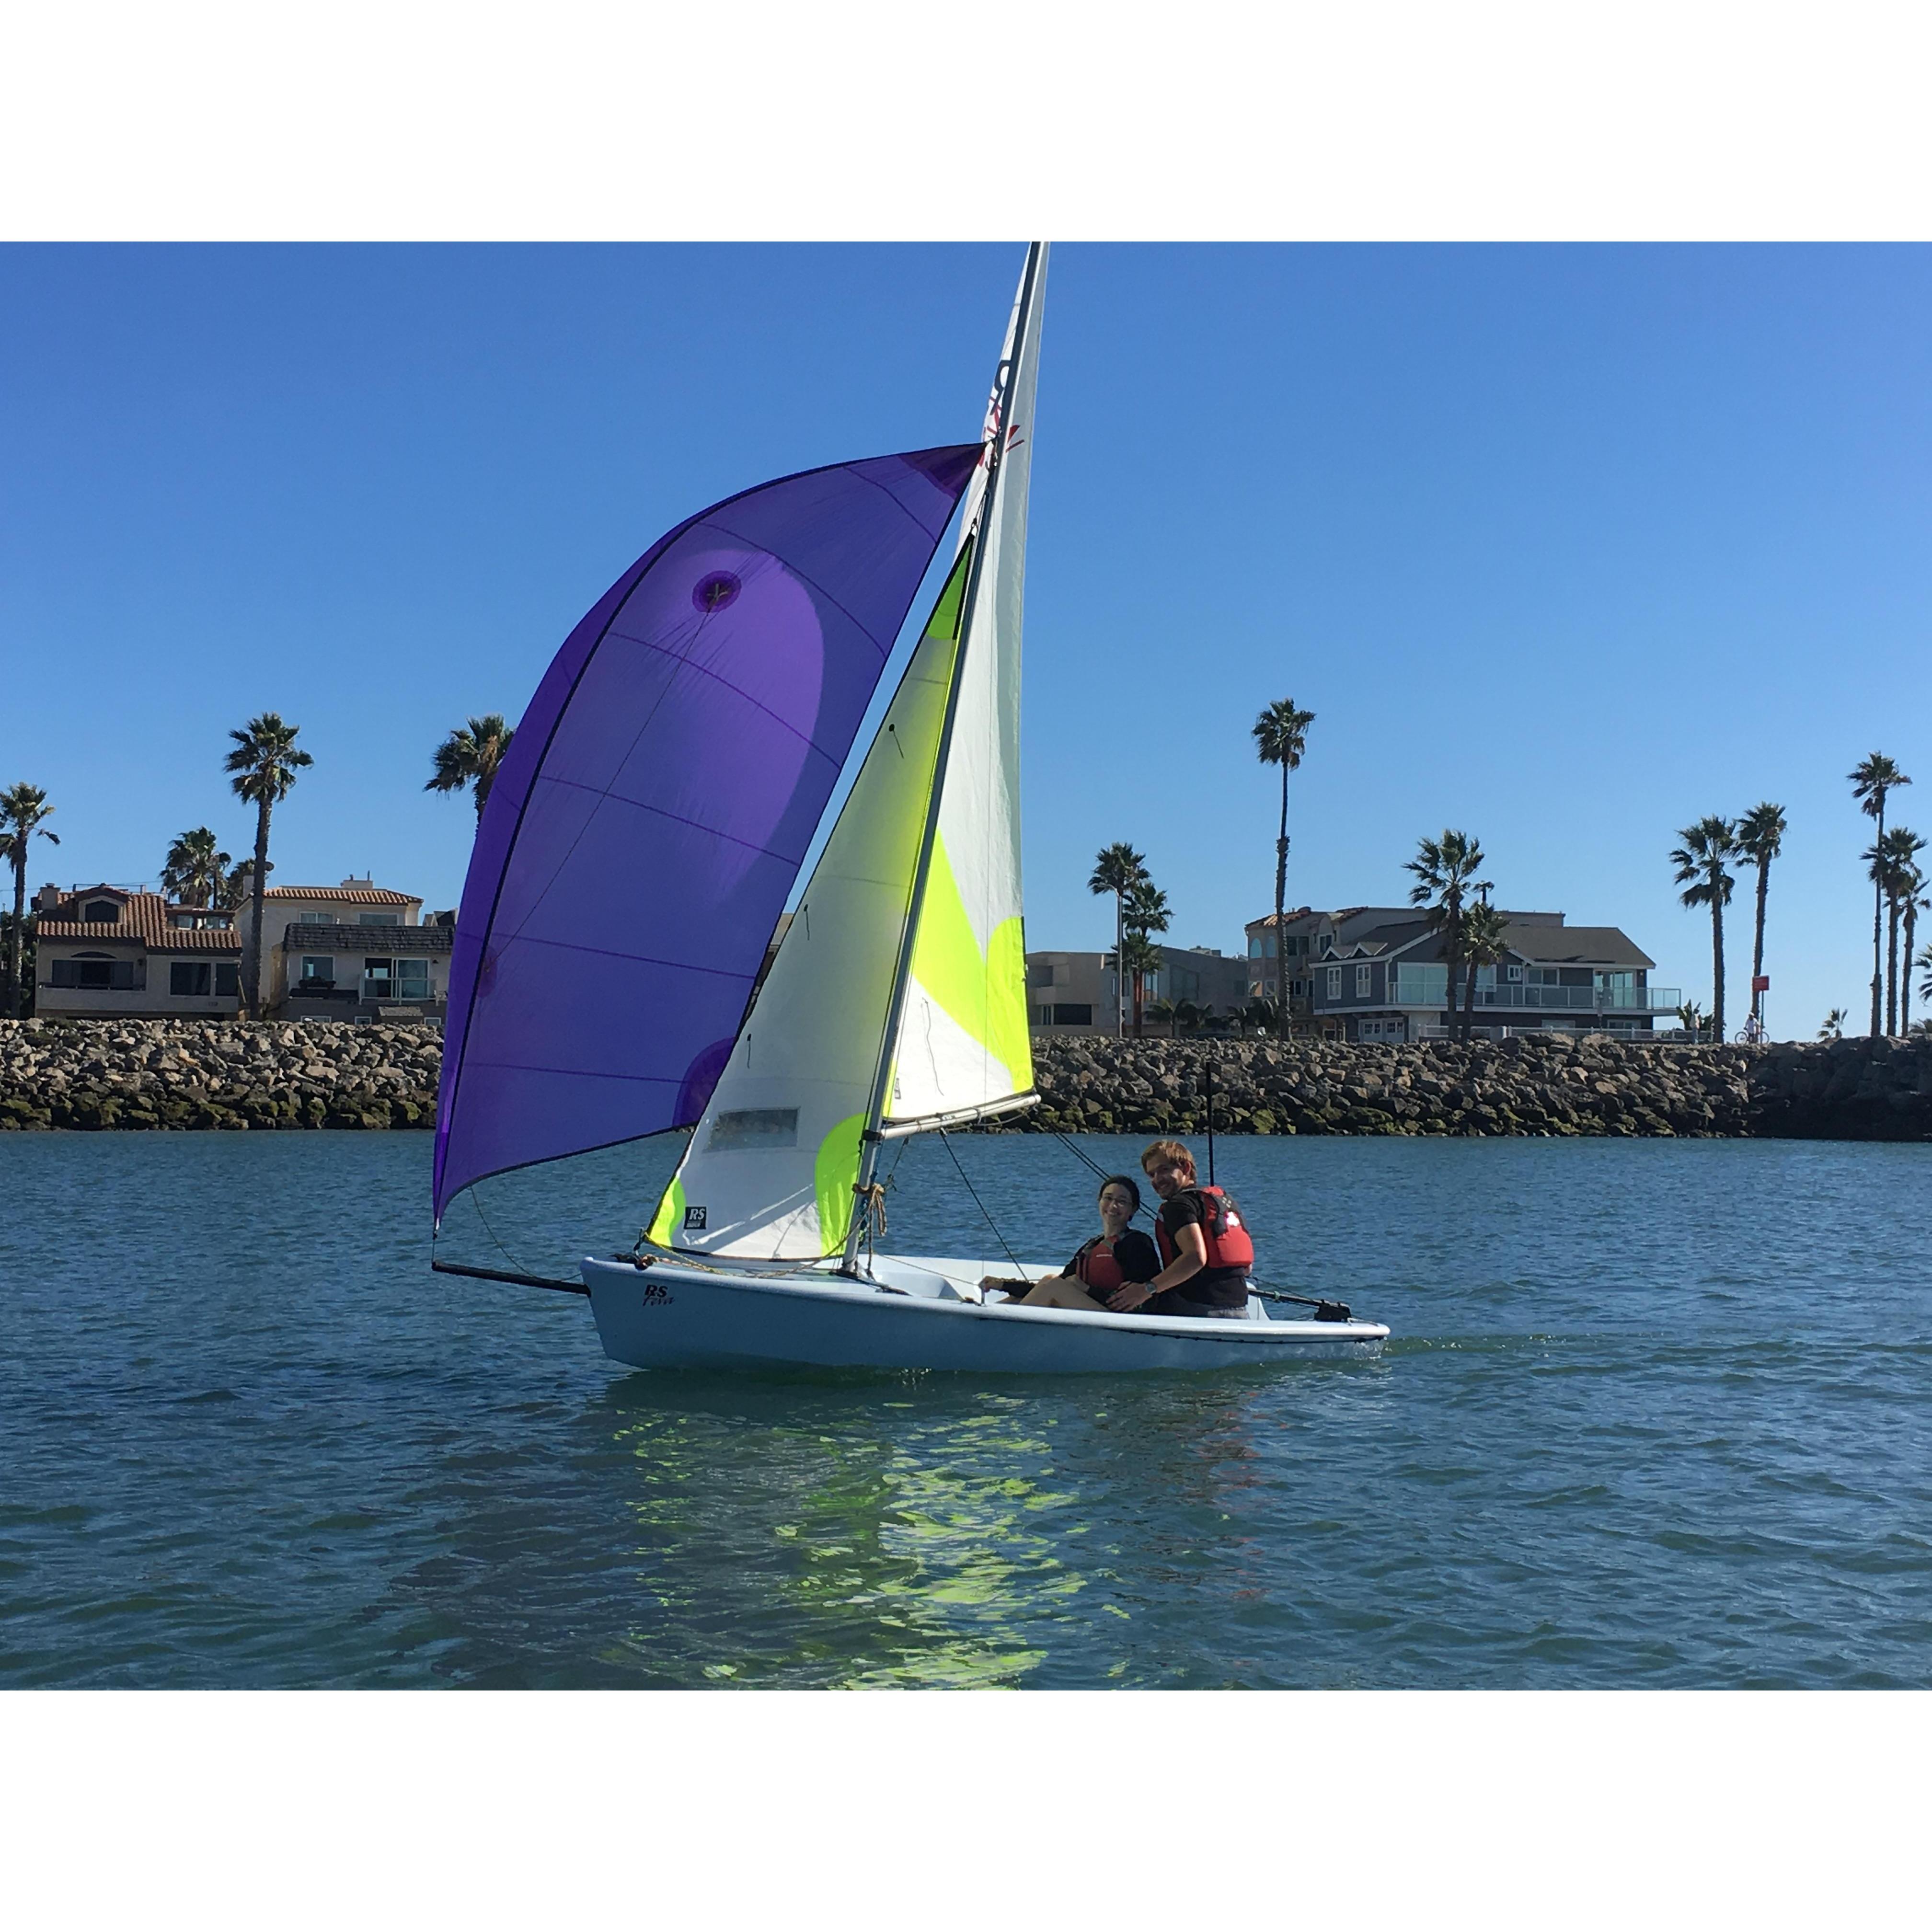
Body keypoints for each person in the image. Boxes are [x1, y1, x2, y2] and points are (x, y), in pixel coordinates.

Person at [1103, 1138, 1255, 1318]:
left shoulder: (1178, 1206)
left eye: (1164, 1170)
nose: (1157, 1180)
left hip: (1196, 1309)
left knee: (1112, 1297)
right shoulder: (1222, 1201)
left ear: (1186, 1169)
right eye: (1152, 1175)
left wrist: (1146, 1290)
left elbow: (1196, 1258)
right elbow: (1247, 1268)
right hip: (1239, 1310)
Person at [980, 1174, 1161, 1311]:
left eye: (1122, 1202)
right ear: (1100, 1202)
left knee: (1054, 1285)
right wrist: (1003, 1285)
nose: (1113, 1206)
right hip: (1090, 1314)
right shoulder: (1093, 1246)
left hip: (1119, 1322)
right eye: (1108, 1198)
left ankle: (1007, 1330)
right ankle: (986, 1320)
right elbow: (1053, 1285)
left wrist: (1087, 1289)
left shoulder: (1137, 1244)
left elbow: (1140, 1301)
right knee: (1044, 1284)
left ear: (1133, 1210)